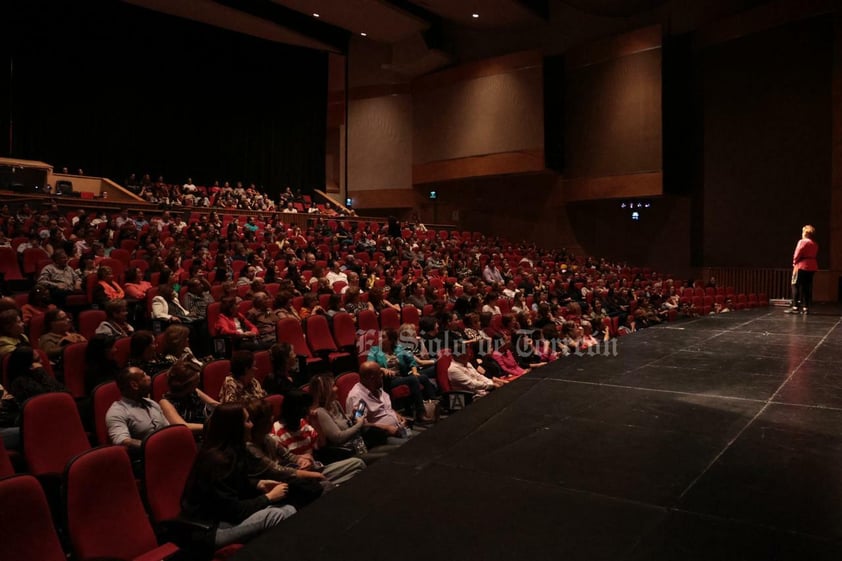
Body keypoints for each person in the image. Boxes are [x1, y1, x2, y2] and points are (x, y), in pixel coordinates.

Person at [180, 403, 297, 549]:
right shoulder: (218, 461)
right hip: (208, 528)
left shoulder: (233, 451)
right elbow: (233, 511)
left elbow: (235, 485)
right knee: (278, 515)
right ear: (235, 427)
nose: (252, 425)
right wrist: (268, 497)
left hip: (224, 518)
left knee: (289, 508)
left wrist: (257, 484)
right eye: (247, 421)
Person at [272, 390, 365, 485]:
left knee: (358, 464)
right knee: (328, 484)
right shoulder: (276, 431)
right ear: (292, 409)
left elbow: (321, 444)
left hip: (317, 469)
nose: (307, 411)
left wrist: (315, 421)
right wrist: (303, 460)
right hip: (298, 479)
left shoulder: (303, 423)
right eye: (303, 408)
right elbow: (280, 465)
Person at [345, 361, 413, 447]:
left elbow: (386, 408)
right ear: (372, 378)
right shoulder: (358, 397)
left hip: (399, 430)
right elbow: (361, 425)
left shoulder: (377, 388)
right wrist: (387, 428)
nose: (382, 375)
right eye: (380, 374)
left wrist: (398, 416)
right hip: (381, 437)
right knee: (411, 446)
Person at [105, 366, 169, 449]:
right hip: (144, 457)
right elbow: (122, 441)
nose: (149, 378)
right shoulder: (117, 412)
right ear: (134, 385)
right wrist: (151, 446)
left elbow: (167, 428)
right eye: (144, 376)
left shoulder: (151, 403)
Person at [159, 359, 217, 435]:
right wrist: (213, 427)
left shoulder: (193, 391)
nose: (199, 381)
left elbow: (214, 404)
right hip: (192, 438)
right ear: (186, 383)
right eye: (197, 379)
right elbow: (184, 427)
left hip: (208, 431)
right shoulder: (165, 403)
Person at [787, 224, 819, 315]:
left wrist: (794, 262)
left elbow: (797, 253)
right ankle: (806, 308)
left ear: (805, 233)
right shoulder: (815, 244)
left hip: (802, 265)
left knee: (795, 284)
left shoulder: (802, 242)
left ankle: (795, 307)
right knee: (806, 287)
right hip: (812, 266)